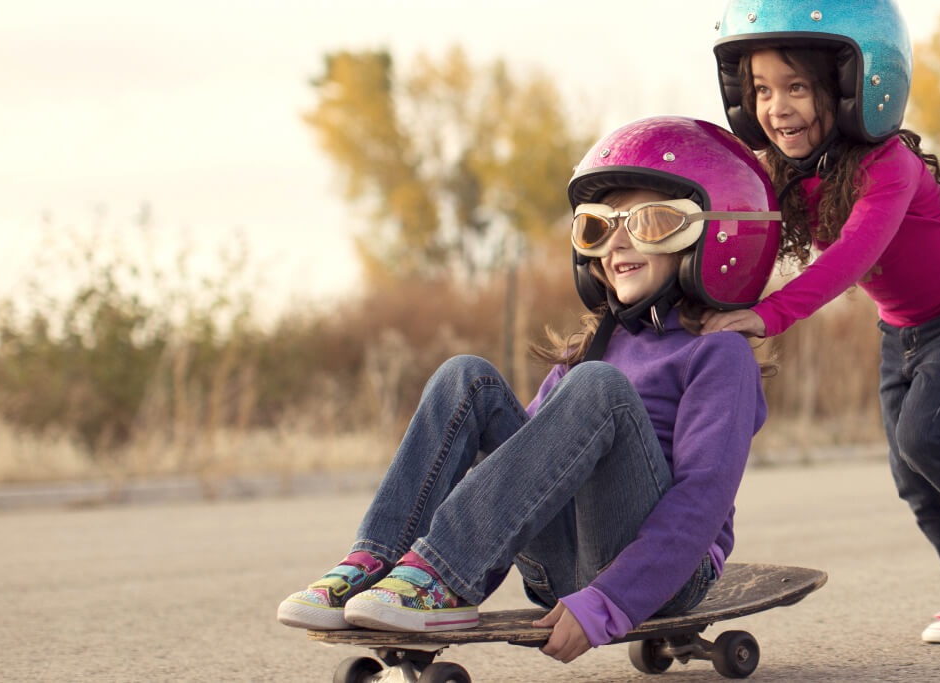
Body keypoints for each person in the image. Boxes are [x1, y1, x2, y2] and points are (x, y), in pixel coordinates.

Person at [277, 115, 784, 663]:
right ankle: (380, 563)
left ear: (715, 233)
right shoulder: (594, 348)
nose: (616, 244)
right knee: (464, 376)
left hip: (667, 574)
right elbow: (523, 475)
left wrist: (609, 603)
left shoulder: (717, 352)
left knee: (599, 388)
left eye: (650, 223)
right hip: (560, 566)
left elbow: (701, 502)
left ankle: (440, 575)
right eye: (597, 226)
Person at [705, 0, 940, 644]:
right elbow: (743, 236)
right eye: (762, 90)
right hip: (903, 326)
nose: (777, 108)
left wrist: (767, 316)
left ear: (854, 86)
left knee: (926, 437)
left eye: (797, 87)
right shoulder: (787, 172)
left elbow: (851, 256)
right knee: (910, 476)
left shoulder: (887, 165)